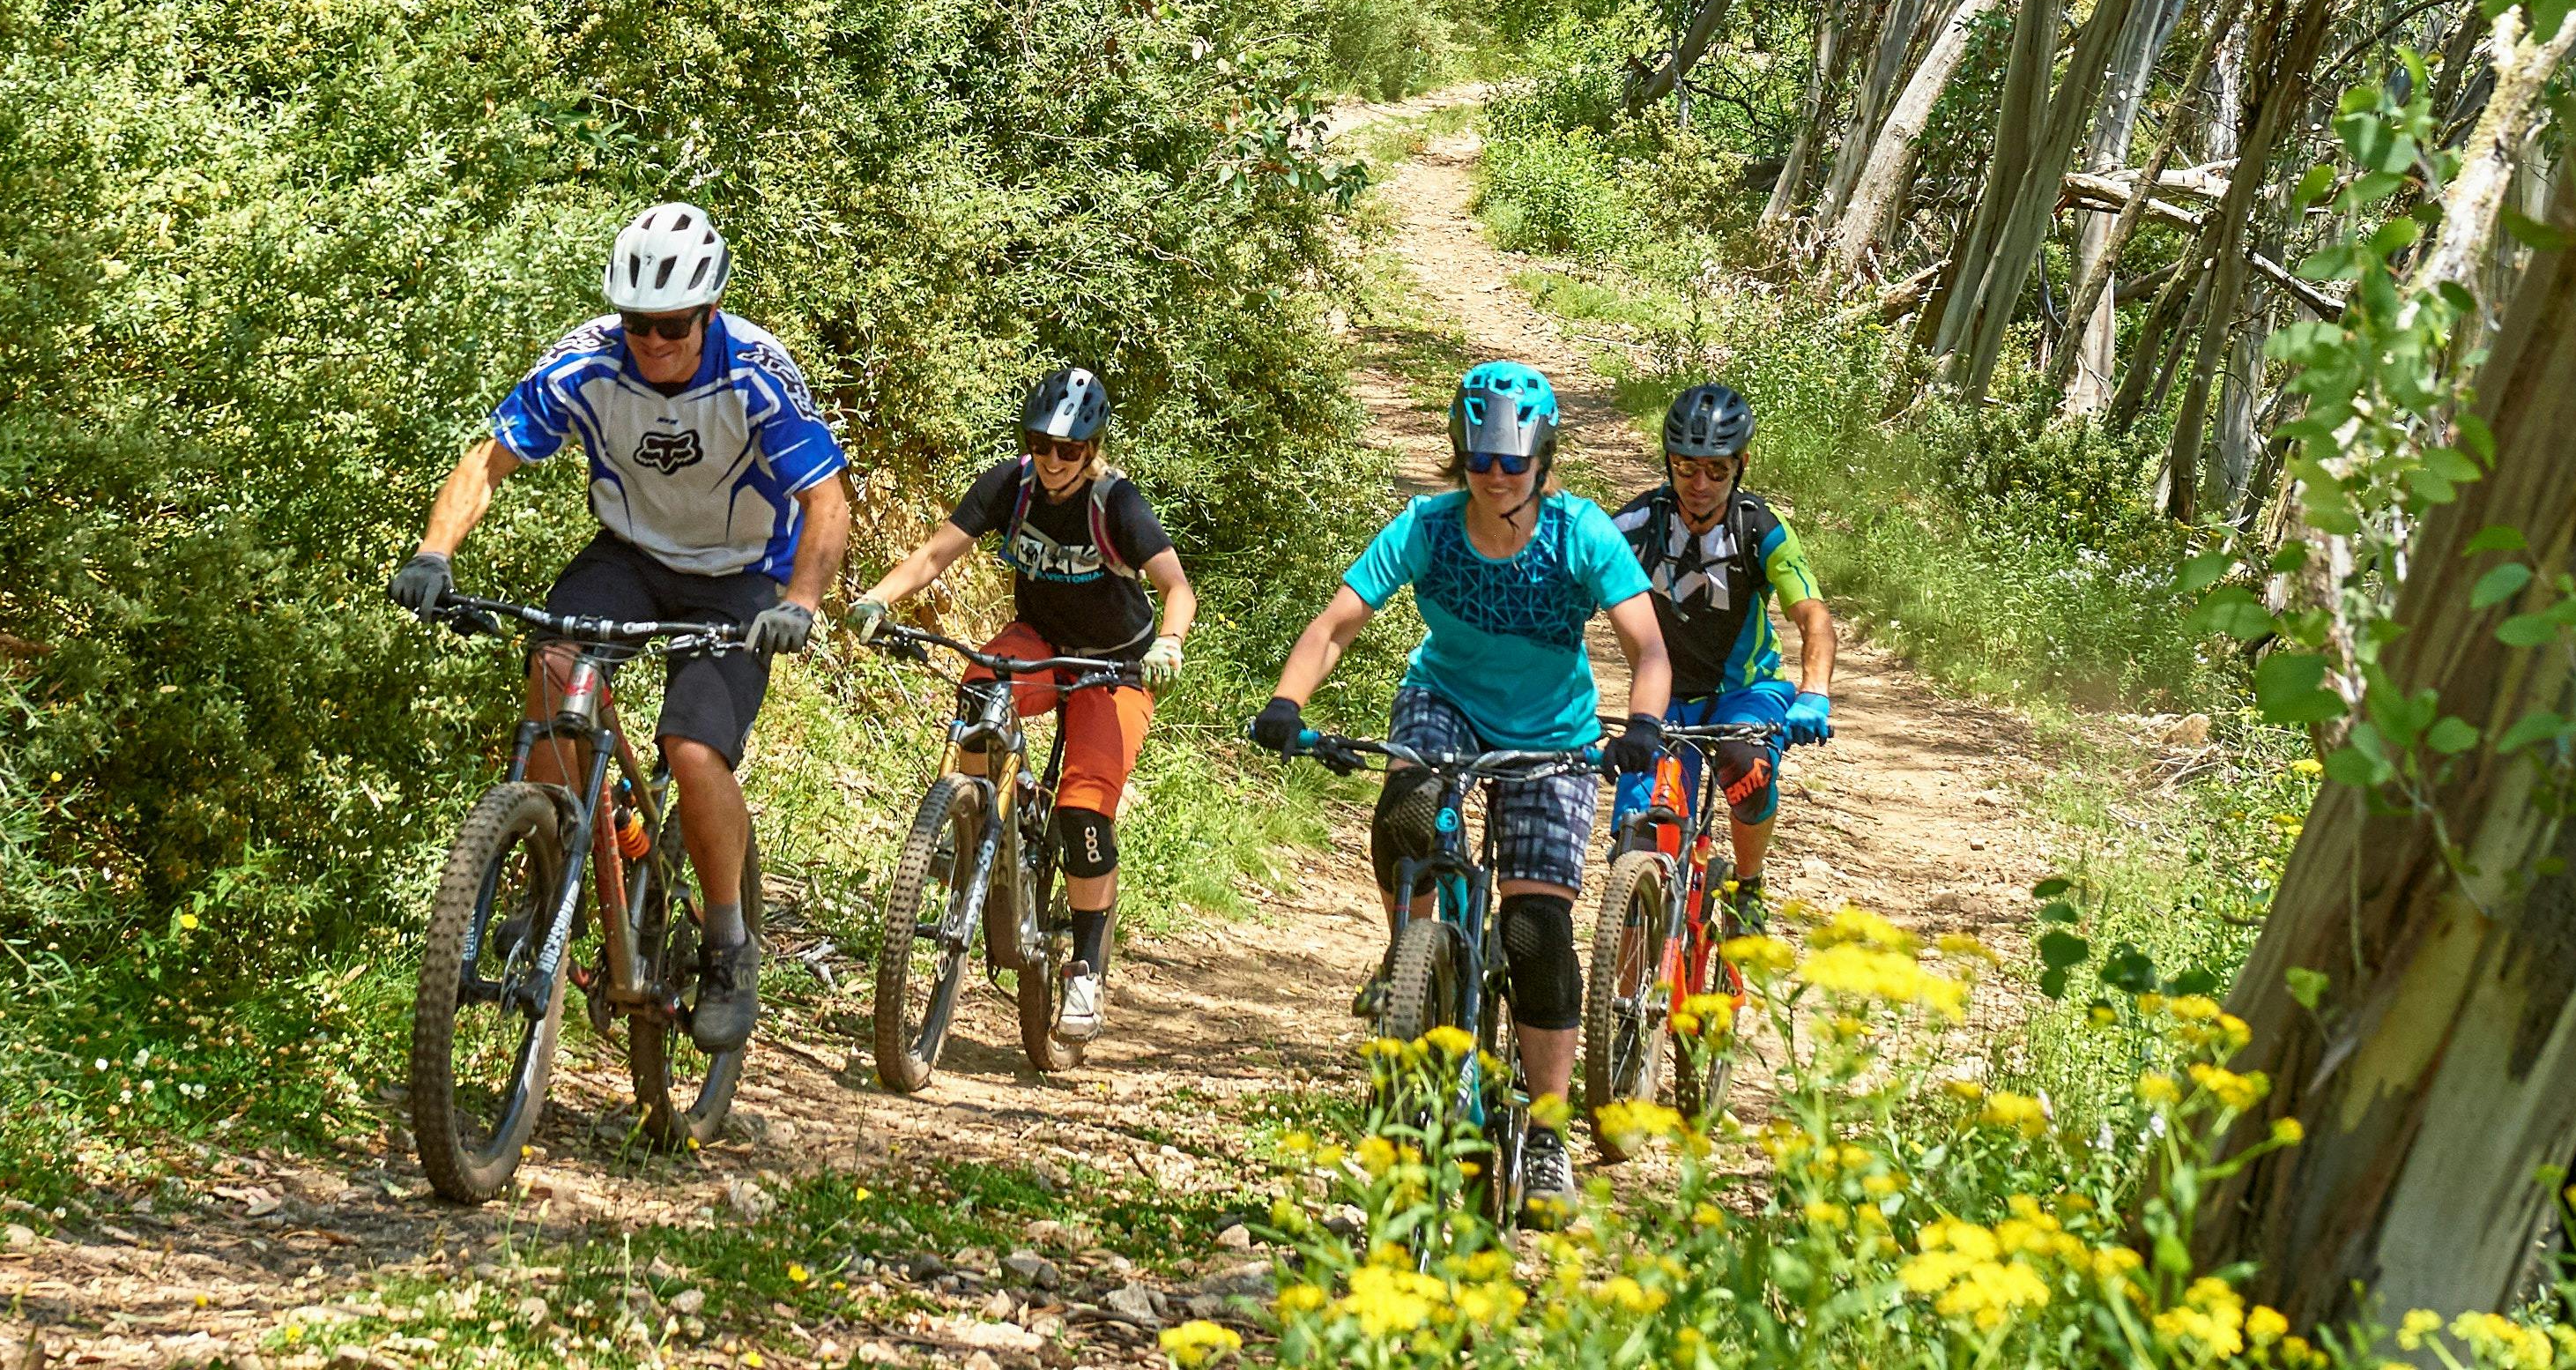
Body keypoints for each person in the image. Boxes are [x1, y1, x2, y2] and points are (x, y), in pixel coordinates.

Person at [390, 202, 849, 1054]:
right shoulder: (586, 360)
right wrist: (434, 551)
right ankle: (545, 860)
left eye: (673, 326)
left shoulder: (756, 371)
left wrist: (802, 603)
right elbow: (489, 458)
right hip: (631, 556)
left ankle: (727, 943)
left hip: (741, 576)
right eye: (639, 324)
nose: (654, 341)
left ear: (708, 313)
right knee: (554, 663)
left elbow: (825, 499)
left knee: (694, 749)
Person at [1246, 361, 1668, 1220]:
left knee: (1534, 926)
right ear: (1459, 455)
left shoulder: (1580, 533)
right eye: (1480, 458)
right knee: (1404, 812)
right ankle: (1417, 956)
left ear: (1540, 459)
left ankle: (1547, 1139)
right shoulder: (1427, 528)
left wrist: (1643, 726)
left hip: (1553, 732)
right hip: (1442, 701)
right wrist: (1288, 701)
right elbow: (1336, 623)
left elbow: (1648, 649)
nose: (1495, 474)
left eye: (1513, 460)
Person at [841, 364, 1195, 1040]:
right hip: (1041, 641)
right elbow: (935, 554)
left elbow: (1176, 585)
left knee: (1086, 814)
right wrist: (879, 599)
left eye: (1068, 450)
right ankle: (978, 818)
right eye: (1042, 445)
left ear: (1091, 451)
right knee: (979, 684)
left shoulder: (1116, 504)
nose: (1053, 460)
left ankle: (1087, 972)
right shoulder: (1013, 485)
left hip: (1116, 664)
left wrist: (1169, 644)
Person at [1607, 380, 1835, 930]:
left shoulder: (1759, 528)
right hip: (1662, 699)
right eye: (1686, 468)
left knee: (1744, 762)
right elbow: (1568, 601)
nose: (1700, 485)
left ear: (1741, 466)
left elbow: (1814, 617)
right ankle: (1630, 987)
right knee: (1637, 831)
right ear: (1668, 462)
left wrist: (1815, 693)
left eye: (1717, 471)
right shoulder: (1635, 526)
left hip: (1746, 692)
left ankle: (1748, 888)